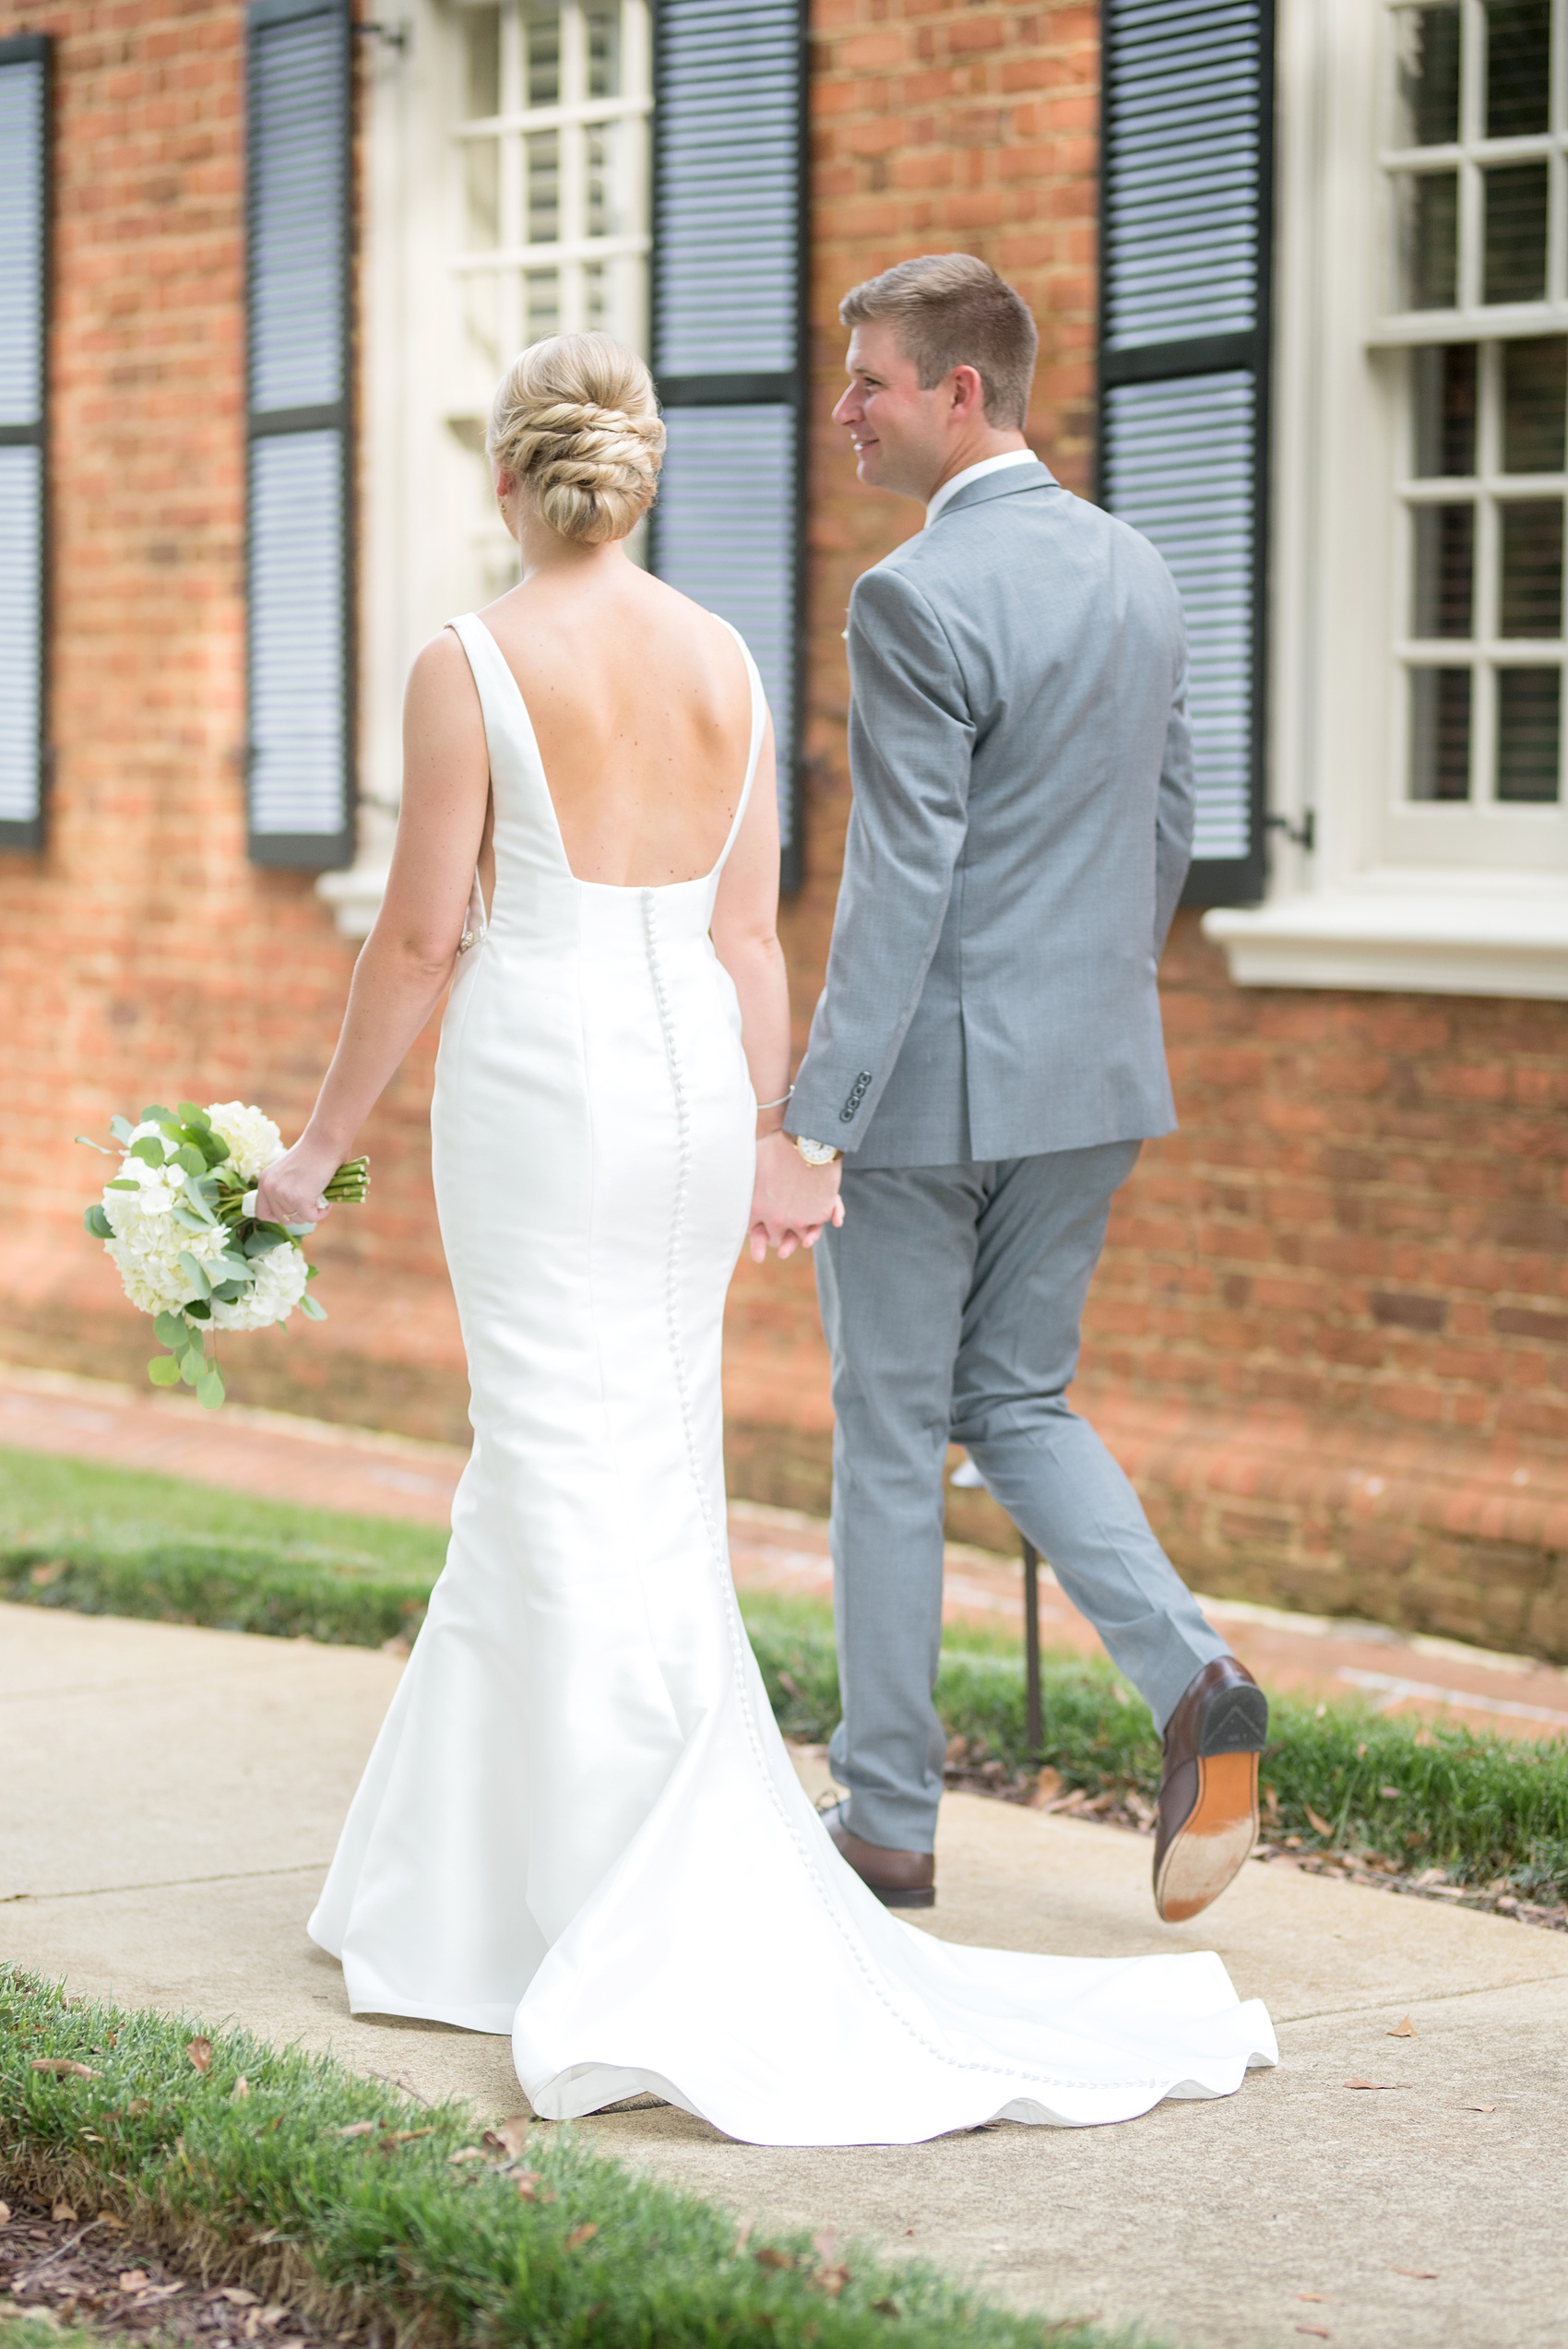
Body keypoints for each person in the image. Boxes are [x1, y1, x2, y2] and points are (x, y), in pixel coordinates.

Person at [258, 331, 1275, 2147]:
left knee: (548, 1441)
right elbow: (750, 935)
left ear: (508, 476)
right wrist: (761, 1131)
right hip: (676, 1103)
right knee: (637, 1444)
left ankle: (545, 1892)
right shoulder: (728, 657)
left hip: (540, 1075)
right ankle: (517, 1865)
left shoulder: (466, 660)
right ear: (643, 475)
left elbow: (418, 942)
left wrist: (317, 1148)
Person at [752, 255, 1270, 1927]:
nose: (845, 412)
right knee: (1021, 1405)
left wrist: (812, 1118)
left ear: (960, 393)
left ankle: (888, 1825)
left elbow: (903, 876)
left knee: (893, 1439)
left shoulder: (911, 595)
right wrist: (1083, 1003)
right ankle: (1198, 1687)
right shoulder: (1138, 569)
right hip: (1100, 1071)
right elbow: (1171, 825)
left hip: (928, 1101)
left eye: (870, 383)